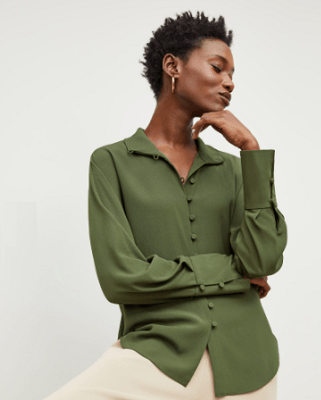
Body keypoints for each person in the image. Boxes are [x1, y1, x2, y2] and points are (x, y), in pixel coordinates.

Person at [43, 10, 288, 400]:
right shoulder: (111, 163)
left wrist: (251, 152)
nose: (229, 82)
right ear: (172, 66)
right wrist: (233, 273)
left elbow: (262, 261)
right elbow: (120, 277)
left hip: (249, 362)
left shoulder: (235, 169)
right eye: (217, 67)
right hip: (157, 356)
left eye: (232, 73)